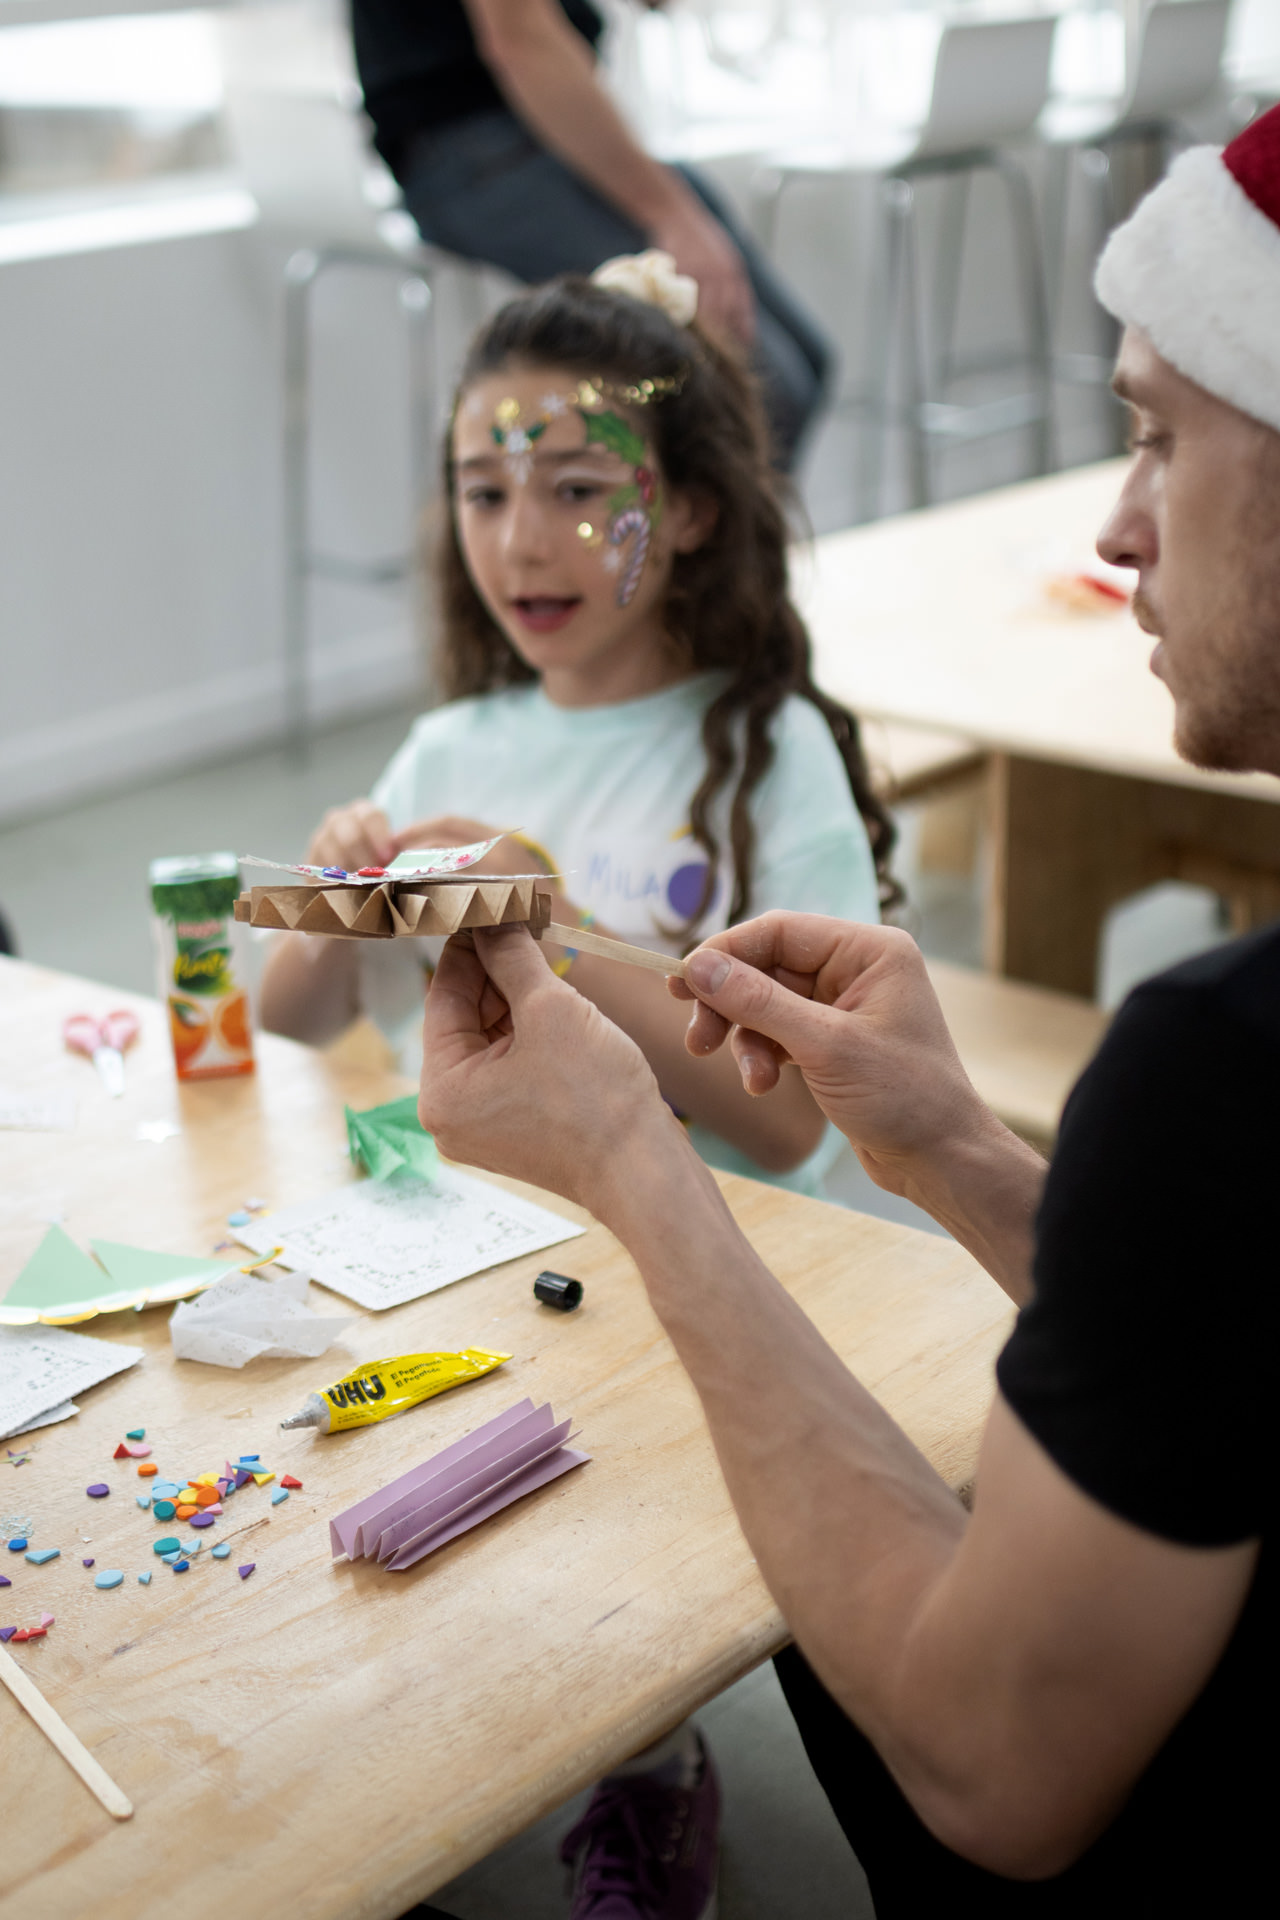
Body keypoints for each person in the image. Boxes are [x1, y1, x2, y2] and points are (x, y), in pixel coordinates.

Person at [415, 106, 1279, 1916]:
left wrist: (633, 1161)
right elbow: (1222, 1329)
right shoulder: (1218, 1117)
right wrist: (957, 1144)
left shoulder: (1219, 1066)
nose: (1115, 525)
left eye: (1157, 435)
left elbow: (993, 1776)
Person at [261, 256, 896, 1203]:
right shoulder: (446, 752)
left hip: (710, 1246)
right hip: (481, 1237)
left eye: (577, 492)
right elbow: (286, 1027)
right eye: (485, 494)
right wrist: (335, 908)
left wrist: (551, 929)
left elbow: (792, 1128)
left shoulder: (774, 754)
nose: (521, 543)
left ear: (689, 511)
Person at [348, 0, 833, 468]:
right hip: (471, 139)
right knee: (762, 390)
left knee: (804, 364)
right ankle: (676, 523)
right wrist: (670, 215)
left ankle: (710, 523)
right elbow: (521, 42)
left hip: (523, 128)